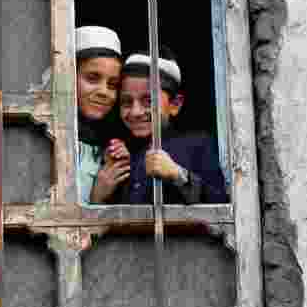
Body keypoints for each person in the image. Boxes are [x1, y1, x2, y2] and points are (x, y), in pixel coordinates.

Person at [92, 48, 227, 206]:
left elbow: (221, 205)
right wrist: (101, 193)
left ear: (175, 105)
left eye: (148, 101)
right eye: (126, 102)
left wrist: (178, 174)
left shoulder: (197, 144)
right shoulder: (123, 152)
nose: (135, 112)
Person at [75, 26, 124, 205]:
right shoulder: (39, 143)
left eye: (113, 85)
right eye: (92, 78)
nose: (104, 92)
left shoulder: (112, 149)